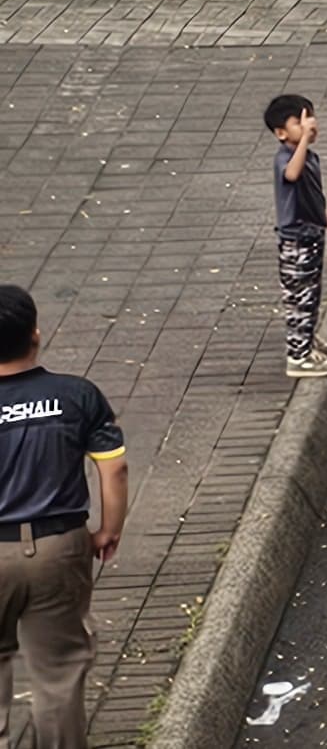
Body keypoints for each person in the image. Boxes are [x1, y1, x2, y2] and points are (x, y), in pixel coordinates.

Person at [0, 284, 125, 749]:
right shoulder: (76, 396)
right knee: (57, 675)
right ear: (35, 335)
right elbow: (114, 468)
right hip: (59, 545)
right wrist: (108, 529)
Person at [263, 94, 327, 379]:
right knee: (299, 297)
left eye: (311, 119)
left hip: (312, 235)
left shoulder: (309, 157)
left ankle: (307, 340)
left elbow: (313, 197)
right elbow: (292, 175)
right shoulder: (285, 159)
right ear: (281, 133)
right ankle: (298, 356)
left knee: (312, 294)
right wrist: (303, 141)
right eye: (299, 122)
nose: (309, 126)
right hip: (295, 242)